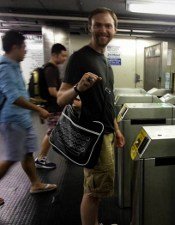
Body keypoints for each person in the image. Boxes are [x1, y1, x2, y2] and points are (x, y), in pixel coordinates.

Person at [57, 8, 125, 225]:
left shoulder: (105, 63)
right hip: (94, 136)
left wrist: (117, 129)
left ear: (115, 29)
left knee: (96, 188)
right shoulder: (79, 58)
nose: (103, 30)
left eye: (108, 25)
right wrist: (78, 87)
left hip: (106, 133)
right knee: (93, 191)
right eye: (98, 25)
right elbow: (60, 99)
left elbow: (107, 101)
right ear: (90, 27)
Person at [0, 30, 57, 206]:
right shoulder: (5, 68)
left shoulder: (14, 65)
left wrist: (36, 106)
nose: (26, 50)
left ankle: (36, 184)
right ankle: (36, 183)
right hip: (12, 121)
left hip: (21, 119)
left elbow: (21, 94)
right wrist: (38, 110)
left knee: (26, 154)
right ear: (15, 47)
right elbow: (14, 98)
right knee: (11, 158)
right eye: (24, 47)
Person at [34, 43, 68, 170]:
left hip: (54, 106)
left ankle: (67, 154)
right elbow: (52, 91)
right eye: (63, 56)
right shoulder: (51, 69)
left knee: (59, 130)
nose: (65, 59)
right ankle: (41, 158)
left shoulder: (49, 68)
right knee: (51, 132)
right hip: (53, 107)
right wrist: (67, 99)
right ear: (54, 55)